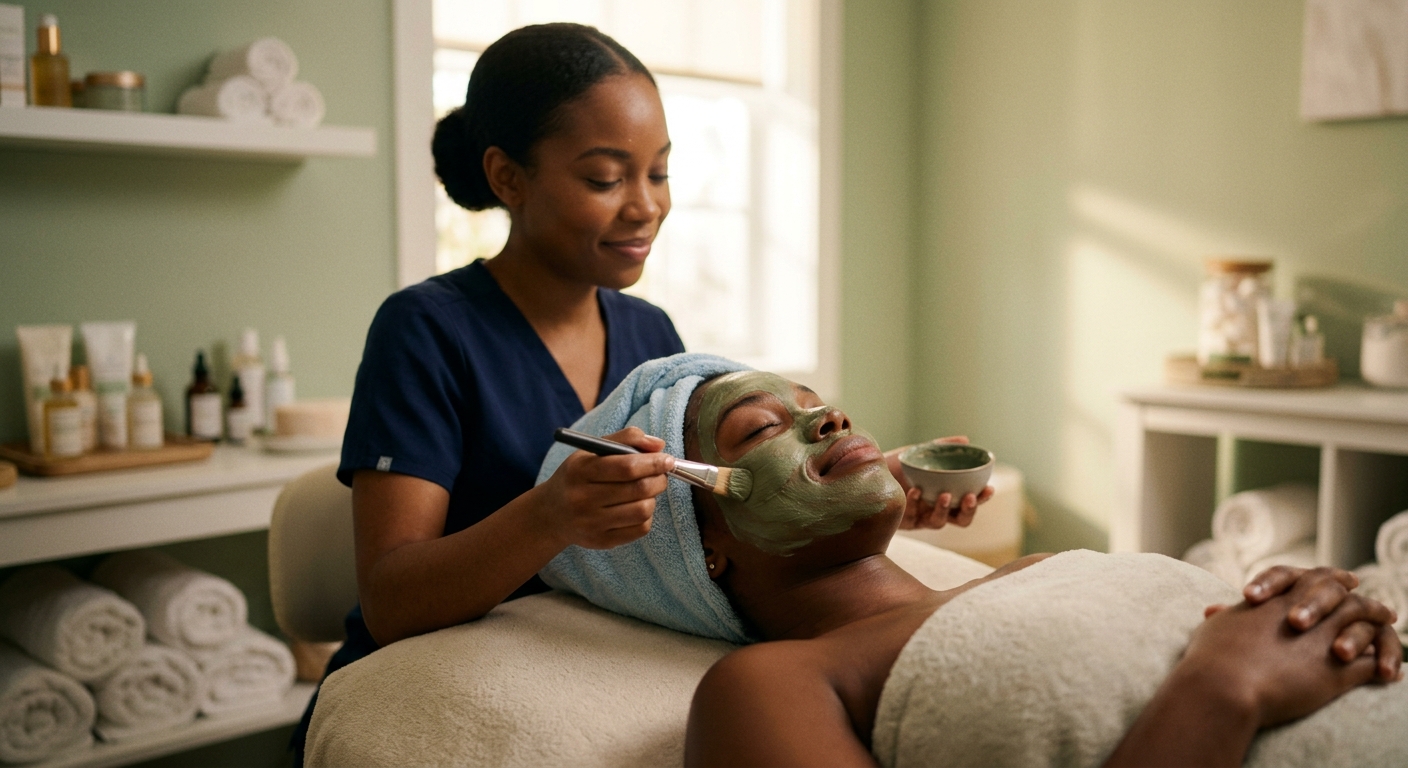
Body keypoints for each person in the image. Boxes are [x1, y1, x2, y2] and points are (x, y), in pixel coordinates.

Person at [293, 23, 982, 761]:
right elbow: (392, 599)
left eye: (659, 173)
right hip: (431, 681)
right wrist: (549, 516)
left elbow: (702, 528)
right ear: (507, 178)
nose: (645, 206)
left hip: (587, 650)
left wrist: (852, 491)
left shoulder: (650, 333)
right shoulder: (427, 331)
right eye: (605, 178)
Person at [533, 355, 1402, 766]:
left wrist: (1318, 609)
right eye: (761, 430)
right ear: (702, 550)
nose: (829, 421)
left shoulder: (1038, 567)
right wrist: (1223, 691)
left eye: (819, 406)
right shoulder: (771, 688)